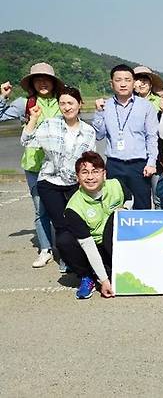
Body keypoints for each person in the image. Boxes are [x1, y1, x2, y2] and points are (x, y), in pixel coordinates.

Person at [21, 86, 96, 269]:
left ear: (80, 104)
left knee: (75, 221)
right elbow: (26, 140)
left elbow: (89, 160)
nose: (66, 107)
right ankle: (66, 260)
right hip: (49, 181)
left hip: (74, 184)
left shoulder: (88, 131)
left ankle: (79, 256)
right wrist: (34, 119)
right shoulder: (50, 124)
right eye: (62, 103)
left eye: (70, 103)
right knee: (61, 224)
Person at [1, 63, 64, 268]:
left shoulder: (61, 101)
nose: (43, 82)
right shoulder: (25, 103)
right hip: (34, 164)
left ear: (54, 82)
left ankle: (65, 250)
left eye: (46, 79)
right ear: (32, 83)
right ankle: (45, 249)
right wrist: (3, 97)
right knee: (40, 209)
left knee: (63, 209)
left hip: (60, 165)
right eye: (38, 79)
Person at [58, 152, 132, 299]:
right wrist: (104, 281)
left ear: (104, 174)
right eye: (85, 173)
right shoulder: (73, 208)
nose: (90, 177)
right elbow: (88, 246)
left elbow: (130, 198)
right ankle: (87, 276)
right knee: (64, 240)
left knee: (115, 217)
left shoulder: (116, 185)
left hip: (115, 242)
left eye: (95, 172)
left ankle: (117, 266)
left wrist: (125, 209)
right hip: (93, 246)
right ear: (78, 178)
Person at [93, 64, 158, 210]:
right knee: (114, 205)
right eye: (118, 80)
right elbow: (99, 135)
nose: (123, 84)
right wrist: (98, 113)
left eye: (127, 80)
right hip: (114, 164)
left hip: (139, 165)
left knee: (142, 206)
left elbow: (152, 137)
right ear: (112, 83)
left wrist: (151, 162)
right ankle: (115, 233)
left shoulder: (146, 106)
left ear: (133, 82)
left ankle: (142, 233)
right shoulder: (106, 105)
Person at [133, 65, 163, 210]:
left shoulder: (159, 102)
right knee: (139, 196)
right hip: (135, 155)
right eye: (138, 80)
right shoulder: (126, 102)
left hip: (156, 154)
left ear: (151, 84)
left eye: (145, 80)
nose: (141, 83)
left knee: (159, 196)